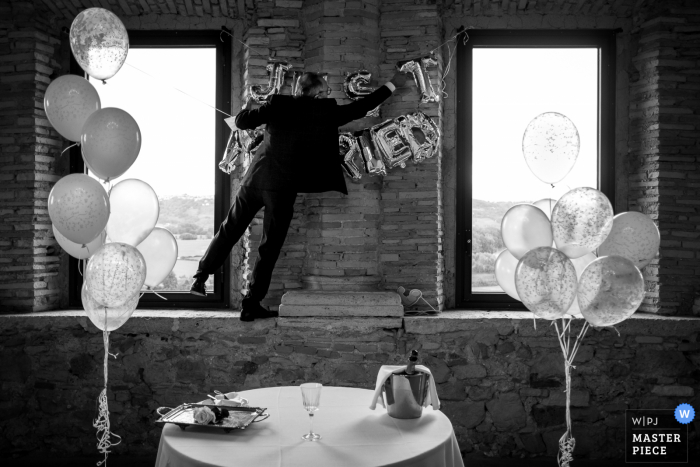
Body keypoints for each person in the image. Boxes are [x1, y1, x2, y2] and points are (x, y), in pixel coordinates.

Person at [191, 70, 408, 321]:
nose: (327, 93)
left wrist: (248, 108)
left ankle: (200, 277)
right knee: (269, 248)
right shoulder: (325, 111)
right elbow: (362, 107)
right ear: (315, 92)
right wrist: (393, 84)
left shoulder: (277, 103)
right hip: (282, 188)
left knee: (229, 229)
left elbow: (241, 122)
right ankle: (251, 304)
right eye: (325, 89)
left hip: (254, 180)